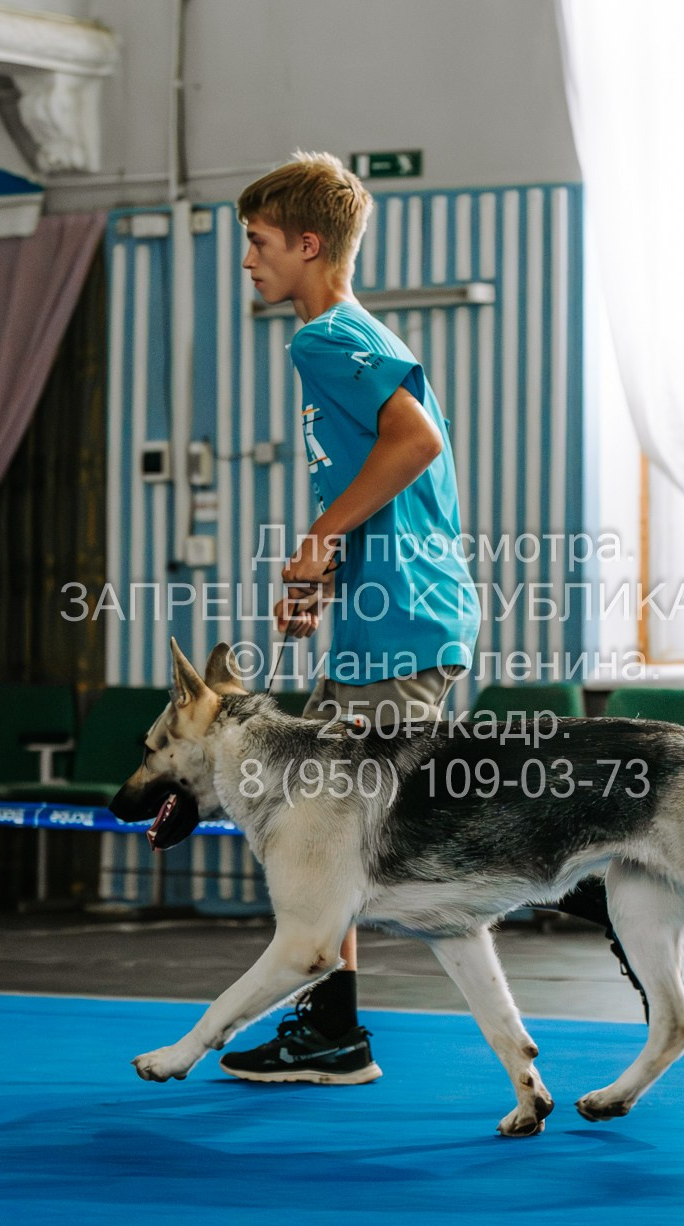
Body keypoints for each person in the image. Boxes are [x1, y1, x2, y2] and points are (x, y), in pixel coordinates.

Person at [217, 152, 481, 1083]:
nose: (246, 259)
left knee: (389, 836)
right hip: (390, 612)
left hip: (405, 619)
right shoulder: (343, 338)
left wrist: (321, 535)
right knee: (327, 824)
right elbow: (394, 484)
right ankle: (330, 1030)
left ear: (308, 243)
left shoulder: (325, 337)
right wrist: (323, 567)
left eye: (256, 242)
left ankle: (594, 900)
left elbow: (418, 442)